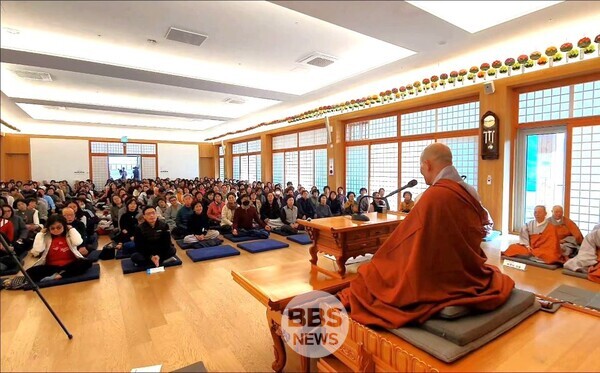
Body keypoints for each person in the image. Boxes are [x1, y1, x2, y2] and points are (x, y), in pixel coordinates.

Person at [338, 143, 513, 328]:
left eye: (421, 168)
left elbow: (410, 237)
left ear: (427, 165)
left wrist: (386, 255)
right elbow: (479, 230)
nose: (422, 173)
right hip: (466, 268)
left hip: (436, 272)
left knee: (375, 272)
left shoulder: (431, 197)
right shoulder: (470, 191)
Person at [3, 214, 92, 289]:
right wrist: (40, 234)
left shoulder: (69, 235)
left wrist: (71, 229)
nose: (56, 230)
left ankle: (59, 276)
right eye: (52, 228)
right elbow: (37, 250)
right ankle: (60, 274)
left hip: (70, 264)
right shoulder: (46, 237)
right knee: (30, 272)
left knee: (86, 263)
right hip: (52, 266)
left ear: (64, 226)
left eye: (59, 227)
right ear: (48, 228)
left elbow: (78, 242)